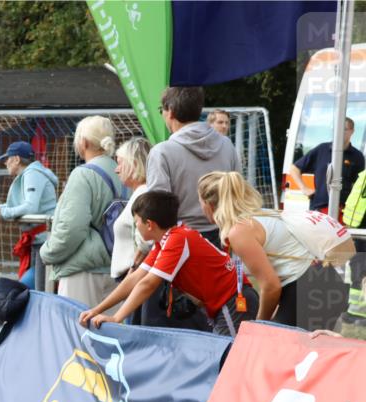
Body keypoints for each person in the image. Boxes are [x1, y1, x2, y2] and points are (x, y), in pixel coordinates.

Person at [79, 190, 258, 337]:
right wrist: (97, 310)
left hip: (233, 301)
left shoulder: (177, 239)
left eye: (136, 223)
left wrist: (117, 317)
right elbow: (134, 280)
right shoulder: (164, 241)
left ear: (149, 224)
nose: (136, 227)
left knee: (231, 363)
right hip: (225, 303)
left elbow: (148, 283)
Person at [144, 86, 240, 328]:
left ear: (170, 111)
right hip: (221, 242)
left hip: (180, 247)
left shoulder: (162, 152)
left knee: (171, 330)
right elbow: (238, 193)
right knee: (216, 324)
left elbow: (157, 211)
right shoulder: (227, 146)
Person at [197, 172, 314, 326]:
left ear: (208, 204)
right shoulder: (257, 216)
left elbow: (271, 286)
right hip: (314, 282)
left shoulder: (240, 231)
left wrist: (260, 324)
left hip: (306, 287)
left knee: (269, 342)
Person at [39, 116, 119, 307]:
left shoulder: (83, 174)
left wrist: (47, 252)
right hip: (119, 268)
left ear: (83, 142)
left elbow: (72, 228)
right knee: (111, 334)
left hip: (83, 271)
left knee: (75, 331)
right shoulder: (123, 170)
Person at [0, 141, 57, 290]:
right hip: (38, 242)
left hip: (45, 242)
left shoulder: (32, 173)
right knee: (31, 290)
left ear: (16, 159)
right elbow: (12, 207)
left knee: (27, 291)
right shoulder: (29, 174)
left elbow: (30, 207)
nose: (5, 163)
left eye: (7, 158)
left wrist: (2, 214)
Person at [287, 117, 365, 218]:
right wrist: (304, 188)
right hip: (319, 209)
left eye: (344, 129)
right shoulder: (322, 150)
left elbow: (359, 185)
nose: (340, 132)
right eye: (337, 129)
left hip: (344, 211)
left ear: (352, 131)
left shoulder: (357, 156)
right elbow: (294, 168)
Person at [110, 138, 151, 282]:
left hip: (134, 277)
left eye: (120, 163)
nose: (116, 169)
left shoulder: (143, 194)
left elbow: (146, 241)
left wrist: (133, 269)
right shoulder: (140, 193)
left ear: (133, 164)